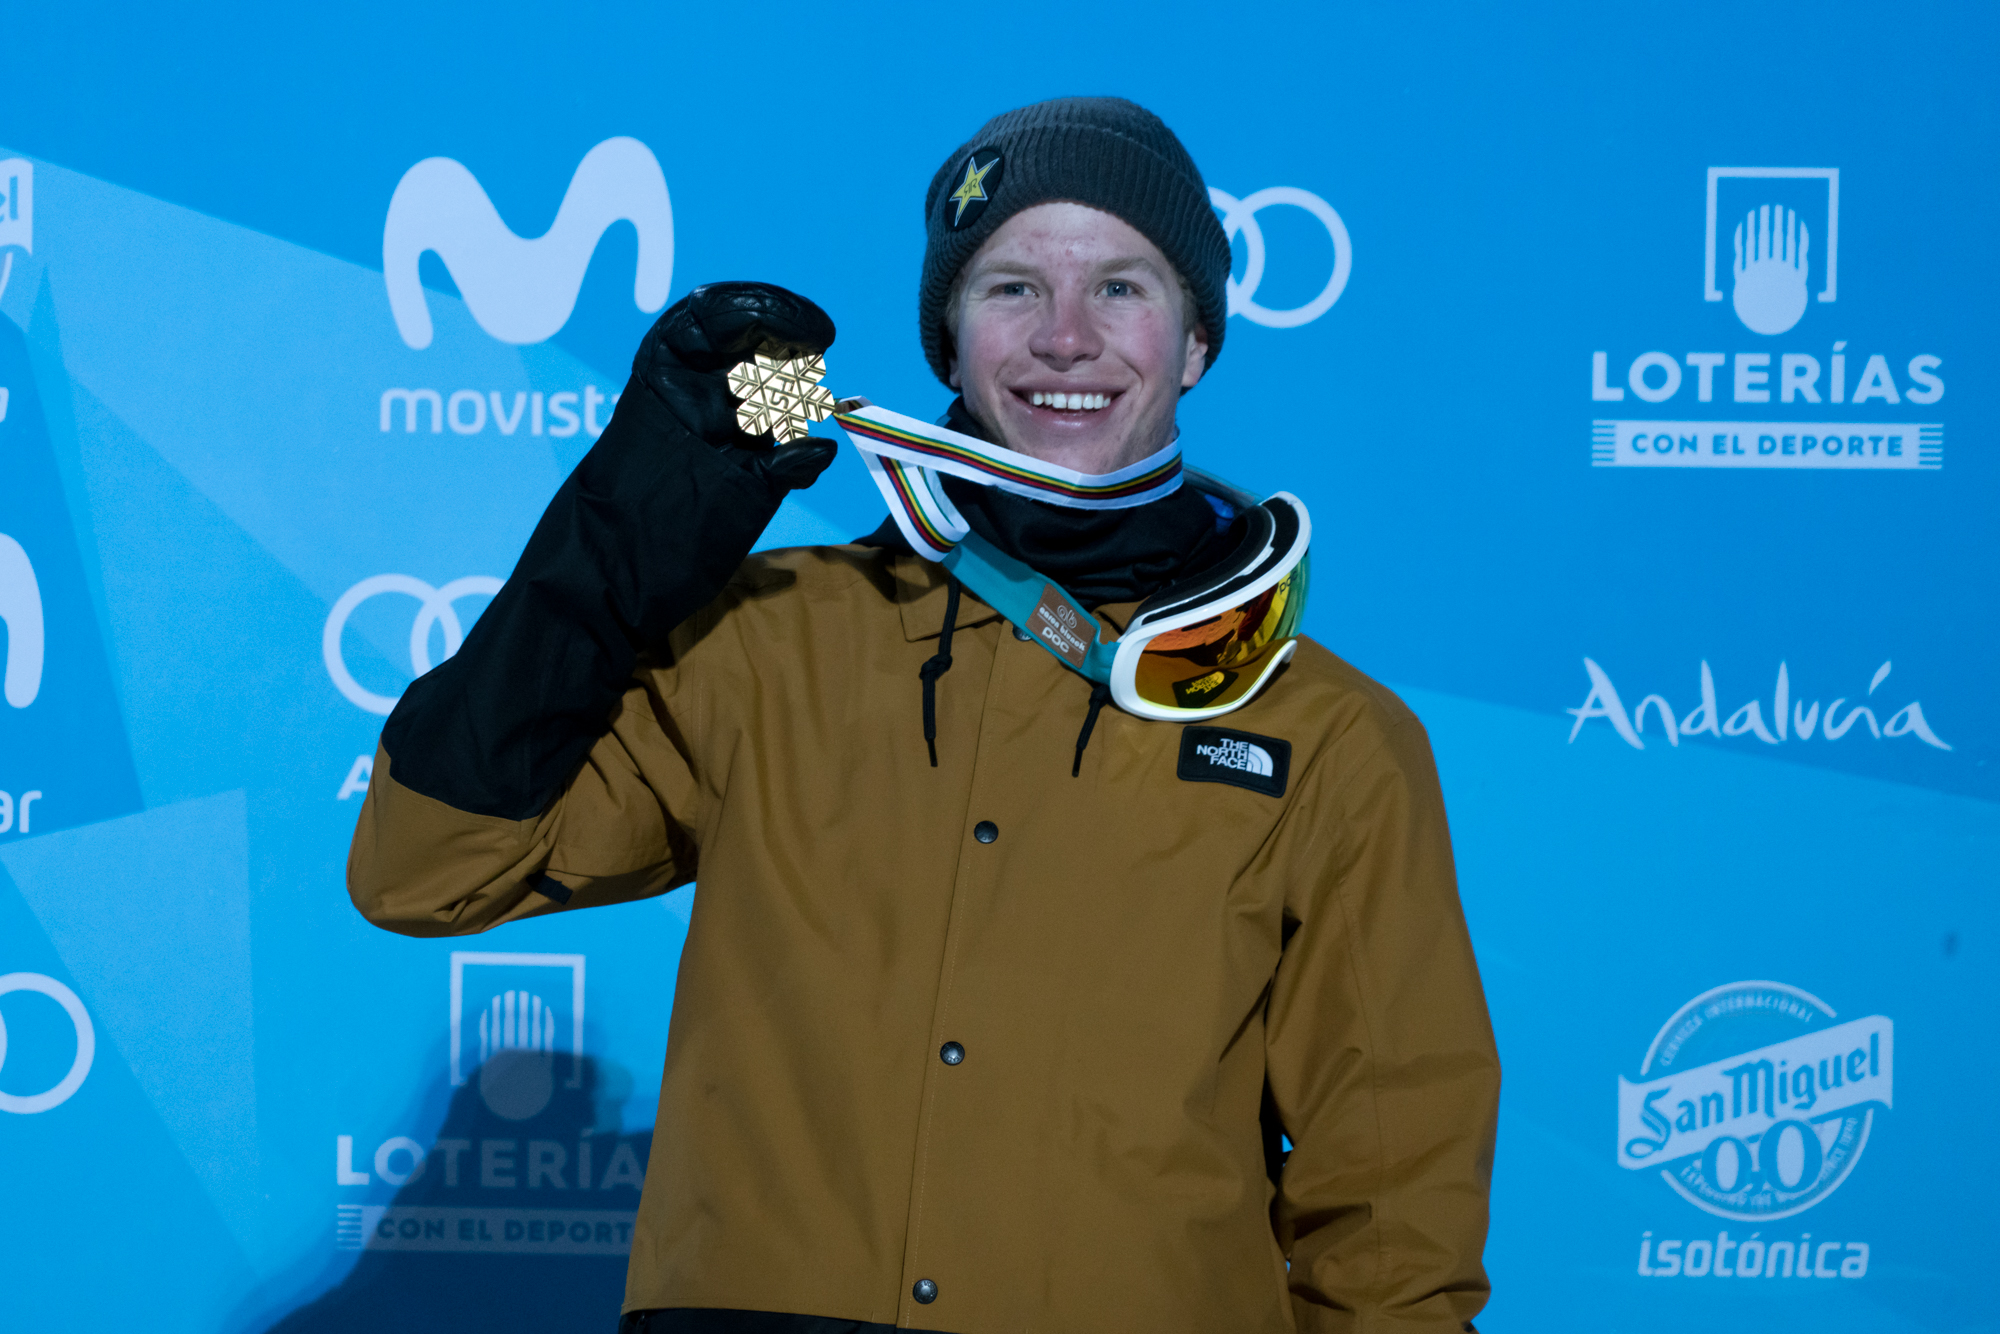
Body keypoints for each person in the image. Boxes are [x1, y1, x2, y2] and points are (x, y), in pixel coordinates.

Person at [348, 96, 1500, 1334]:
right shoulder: (768, 643)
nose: (1064, 338)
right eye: (1011, 288)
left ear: (1196, 341)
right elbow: (428, 870)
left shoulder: (1327, 734)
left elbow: (1391, 1210)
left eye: (1120, 288)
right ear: (947, 342)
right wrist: (613, 544)